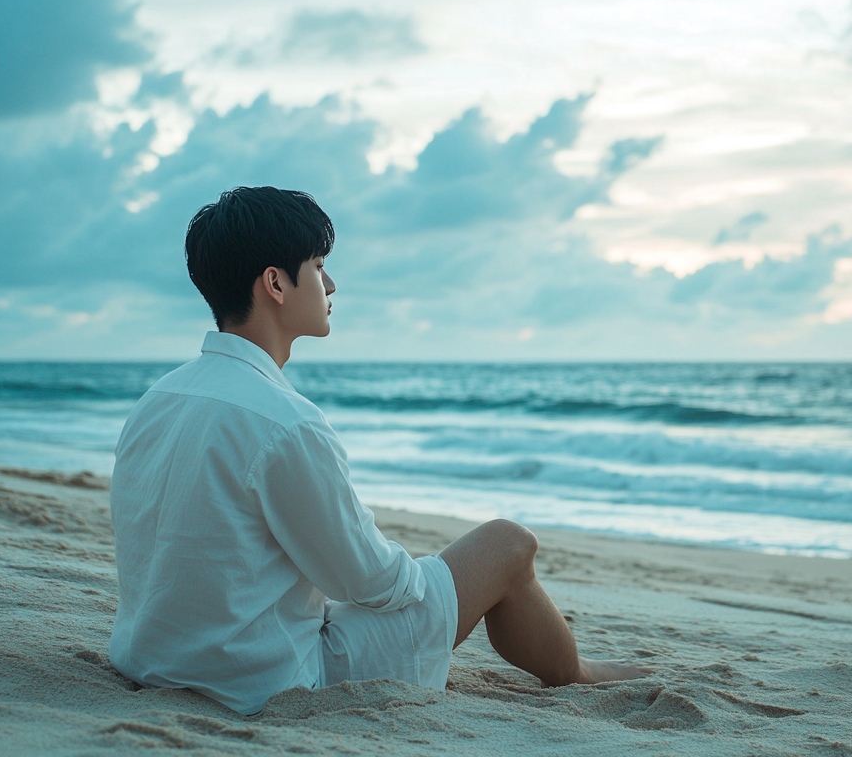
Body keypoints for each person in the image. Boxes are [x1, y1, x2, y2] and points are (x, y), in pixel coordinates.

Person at [107, 186, 646, 714]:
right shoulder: (287, 421)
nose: (331, 283)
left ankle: (567, 662)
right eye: (318, 267)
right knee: (507, 545)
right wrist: (439, 587)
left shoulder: (160, 397)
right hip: (262, 679)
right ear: (275, 282)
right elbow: (369, 582)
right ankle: (578, 673)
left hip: (152, 657)